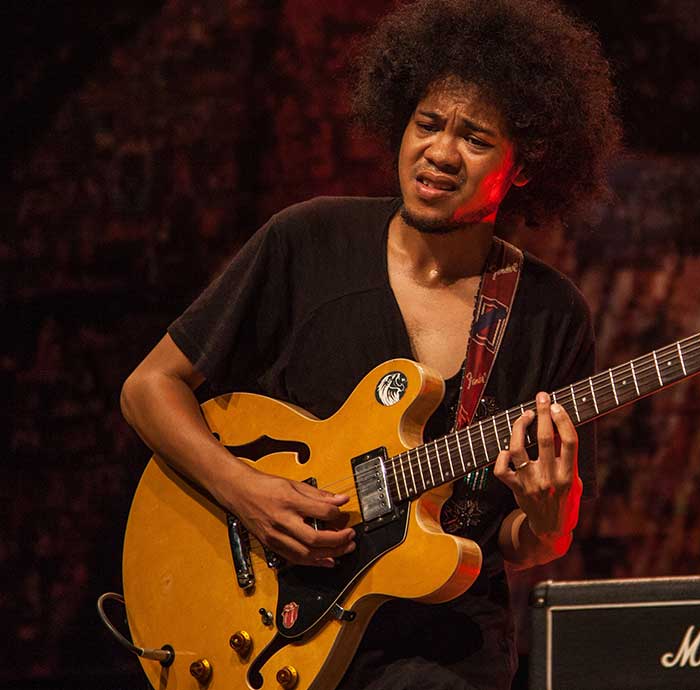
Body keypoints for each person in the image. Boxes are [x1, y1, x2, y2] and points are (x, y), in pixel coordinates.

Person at [120, 0, 620, 687]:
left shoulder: (549, 315)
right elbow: (148, 388)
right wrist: (245, 491)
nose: (439, 153)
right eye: (428, 124)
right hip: (268, 622)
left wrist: (549, 516)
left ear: (525, 165)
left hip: (441, 647)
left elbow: (519, 541)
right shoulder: (306, 241)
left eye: (475, 138)